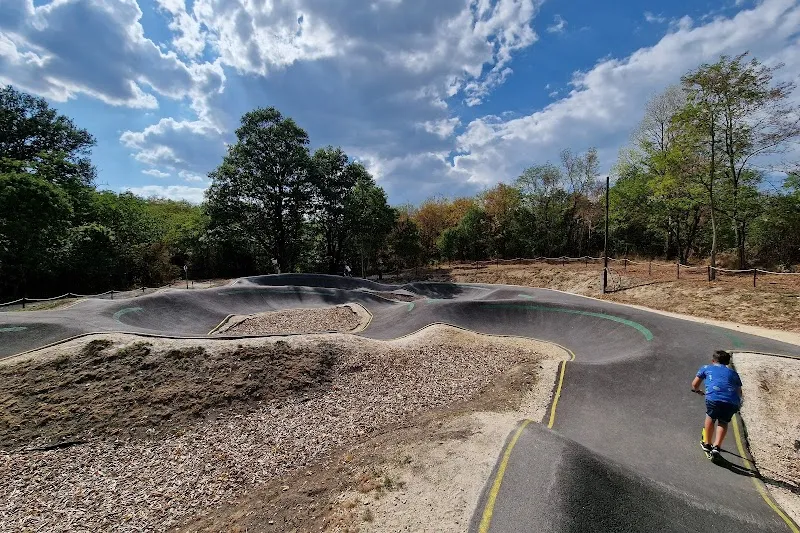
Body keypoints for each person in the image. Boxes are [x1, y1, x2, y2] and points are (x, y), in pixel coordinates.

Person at [691, 350, 743, 460]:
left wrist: (697, 391)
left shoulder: (706, 368)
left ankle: (707, 443)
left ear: (713, 360)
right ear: (728, 362)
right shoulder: (734, 374)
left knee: (710, 417)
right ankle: (717, 446)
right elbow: (739, 392)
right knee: (723, 422)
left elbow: (695, 384)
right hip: (732, 401)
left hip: (714, 398)